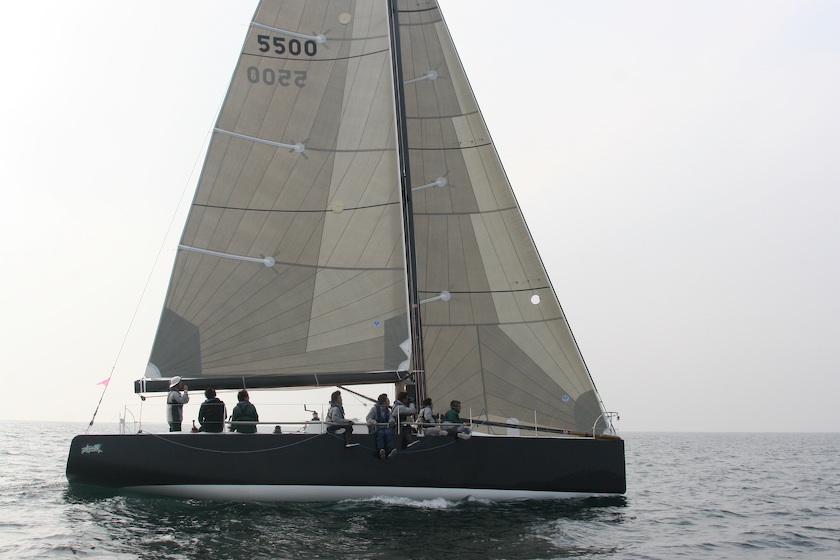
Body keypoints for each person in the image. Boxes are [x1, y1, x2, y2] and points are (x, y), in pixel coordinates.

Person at [366, 394, 397, 458]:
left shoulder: (388, 411)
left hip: (385, 428)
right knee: (381, 433)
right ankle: (381, 449)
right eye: (387, 400)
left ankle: (391, 449)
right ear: (384, 402)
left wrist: (391, 422)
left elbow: (391, 418)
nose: (389, 401)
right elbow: (368, 418)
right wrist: (374, 422)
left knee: (389, 433)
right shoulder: (374, 409)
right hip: (376, 429)